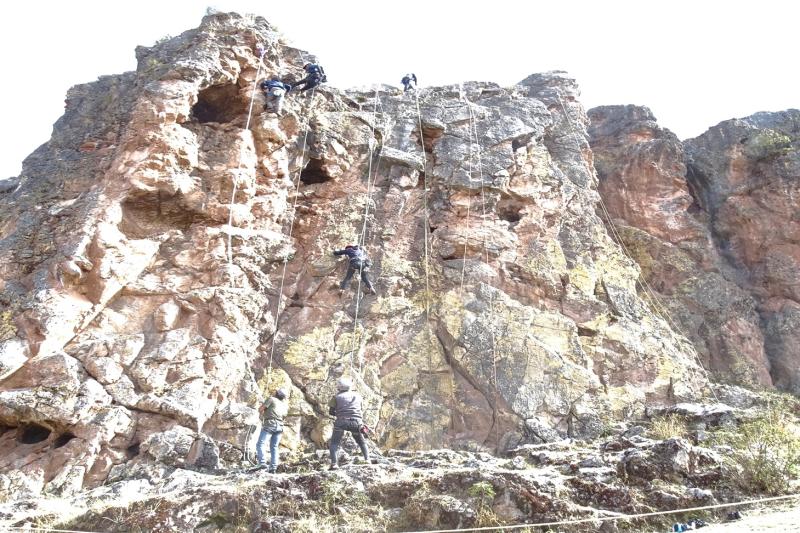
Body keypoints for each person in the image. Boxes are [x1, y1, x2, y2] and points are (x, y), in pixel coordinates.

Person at [328, 377, 370, 469]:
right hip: (356, 423)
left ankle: (334, 464)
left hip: (341, 422)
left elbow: (331, 412)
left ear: (339, 387)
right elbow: (361, 409)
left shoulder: (336, 397)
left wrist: (338, 413)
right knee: (361, 441)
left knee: (334, 443)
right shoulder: (358, 396)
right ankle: (367, 460)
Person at [256, 388, 289, 472]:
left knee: (260, 444)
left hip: (270, 424)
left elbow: (260, 409)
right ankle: (273, 468)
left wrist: (264, 412)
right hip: (280, 426)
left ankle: (262, 463)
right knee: (274, 447)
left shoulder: (271, 399)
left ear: (276, 394)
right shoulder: (283, 405)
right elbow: (284, 415)